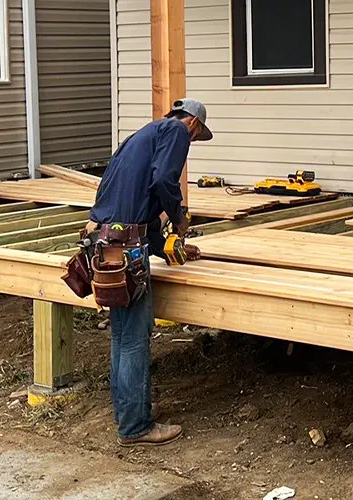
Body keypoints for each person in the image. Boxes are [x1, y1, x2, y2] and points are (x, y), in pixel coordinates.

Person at [87, 98, 213, 447]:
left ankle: (126, 417)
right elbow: (163, 182)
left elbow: (139, 204)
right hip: (126, 249)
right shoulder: (176, 132)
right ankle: (136, 426)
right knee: (133, 339)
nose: (191, 145)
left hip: (107, 243)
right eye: (197, 136)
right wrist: (179, 216)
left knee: (122, 336)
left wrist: (168, 248)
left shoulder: (139, 138)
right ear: (194, 125)